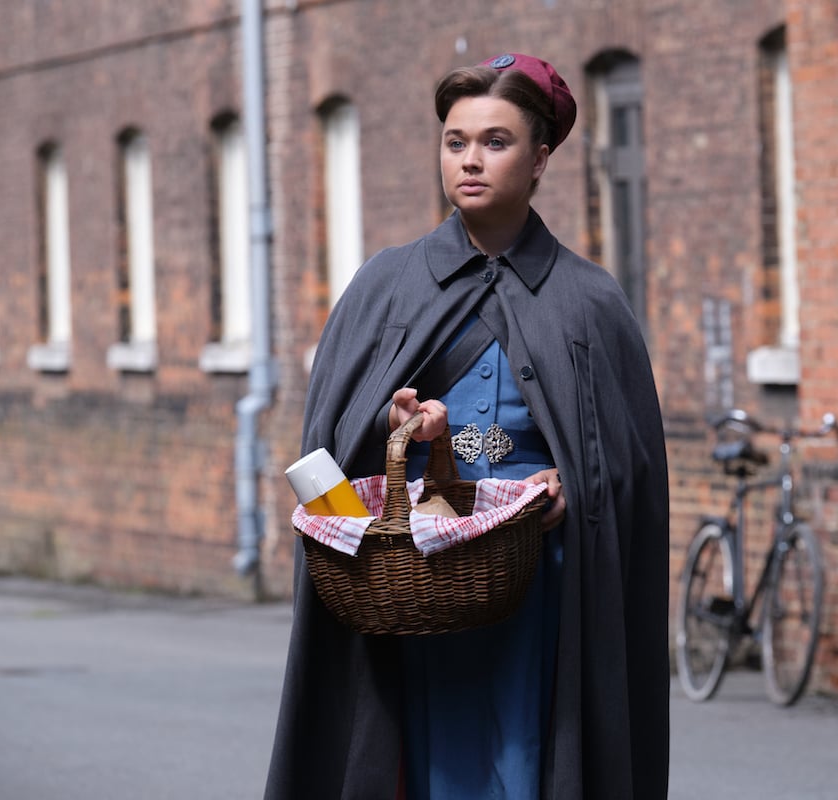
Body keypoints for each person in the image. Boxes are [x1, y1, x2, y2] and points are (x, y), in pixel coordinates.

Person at [265, 52, 669, 799]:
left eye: (496, 141)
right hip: (412, 589)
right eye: (456, 143)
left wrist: (569, 489)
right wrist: (388, 430)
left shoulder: (588, 301)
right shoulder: (386, 286)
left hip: (539, 596)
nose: (470, 161)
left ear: (541, 157)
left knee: (527, 763)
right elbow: (329, 446)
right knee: (414, 767)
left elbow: (629, 469)